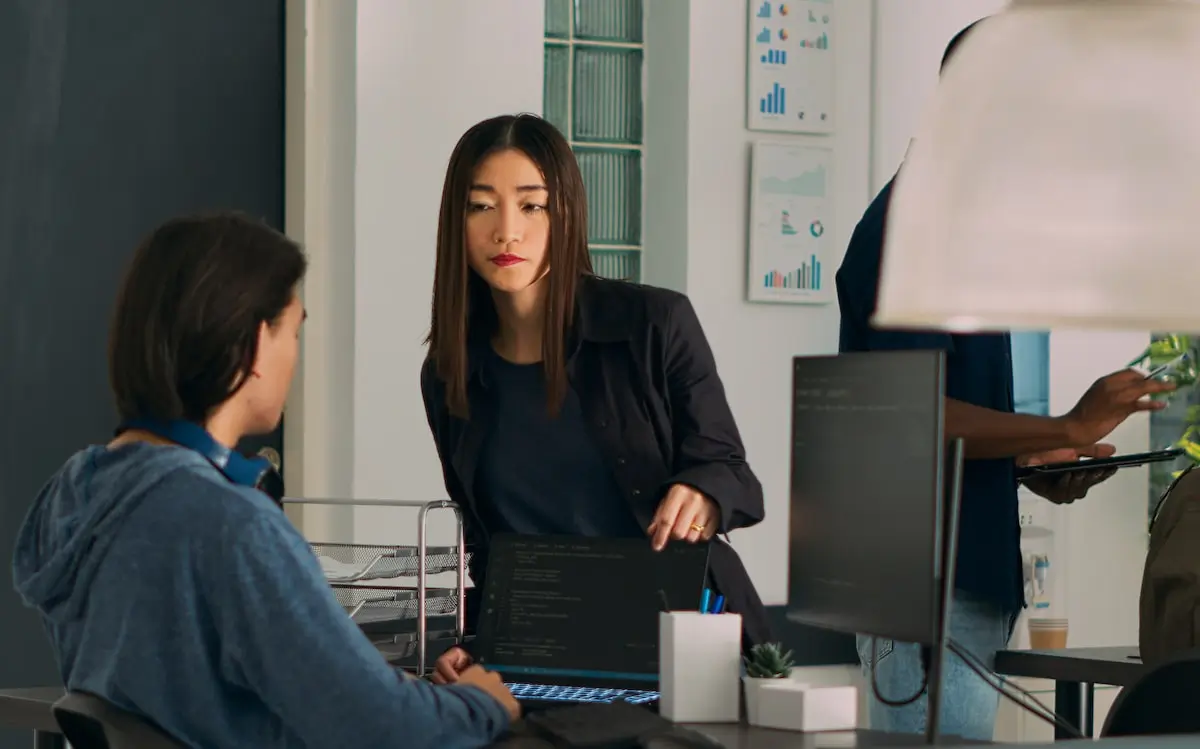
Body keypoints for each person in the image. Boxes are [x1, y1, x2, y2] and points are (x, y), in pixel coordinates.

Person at [12, 213, 518, 749]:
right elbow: (384, 726)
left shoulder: (78, 492)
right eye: (293, 330)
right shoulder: (226, 525)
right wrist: (481, 701)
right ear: (257, 345)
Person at [836, 19, 1176, 742]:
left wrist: (1030, 460)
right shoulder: (910, 230)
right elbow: (904, 416)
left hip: (952, 575)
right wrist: (1067, 428)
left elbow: (939, 423)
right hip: (921, 583)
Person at [420, 114, 771, 684]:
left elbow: (734, 475)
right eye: (481, 206)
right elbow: (489, 550)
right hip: (541, 653)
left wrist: (703, 494)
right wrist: (473, 646)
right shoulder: (449, 374)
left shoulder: (654, 324)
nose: (507, 231)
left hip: (675, 646)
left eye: (532, 206)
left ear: (567, 215)